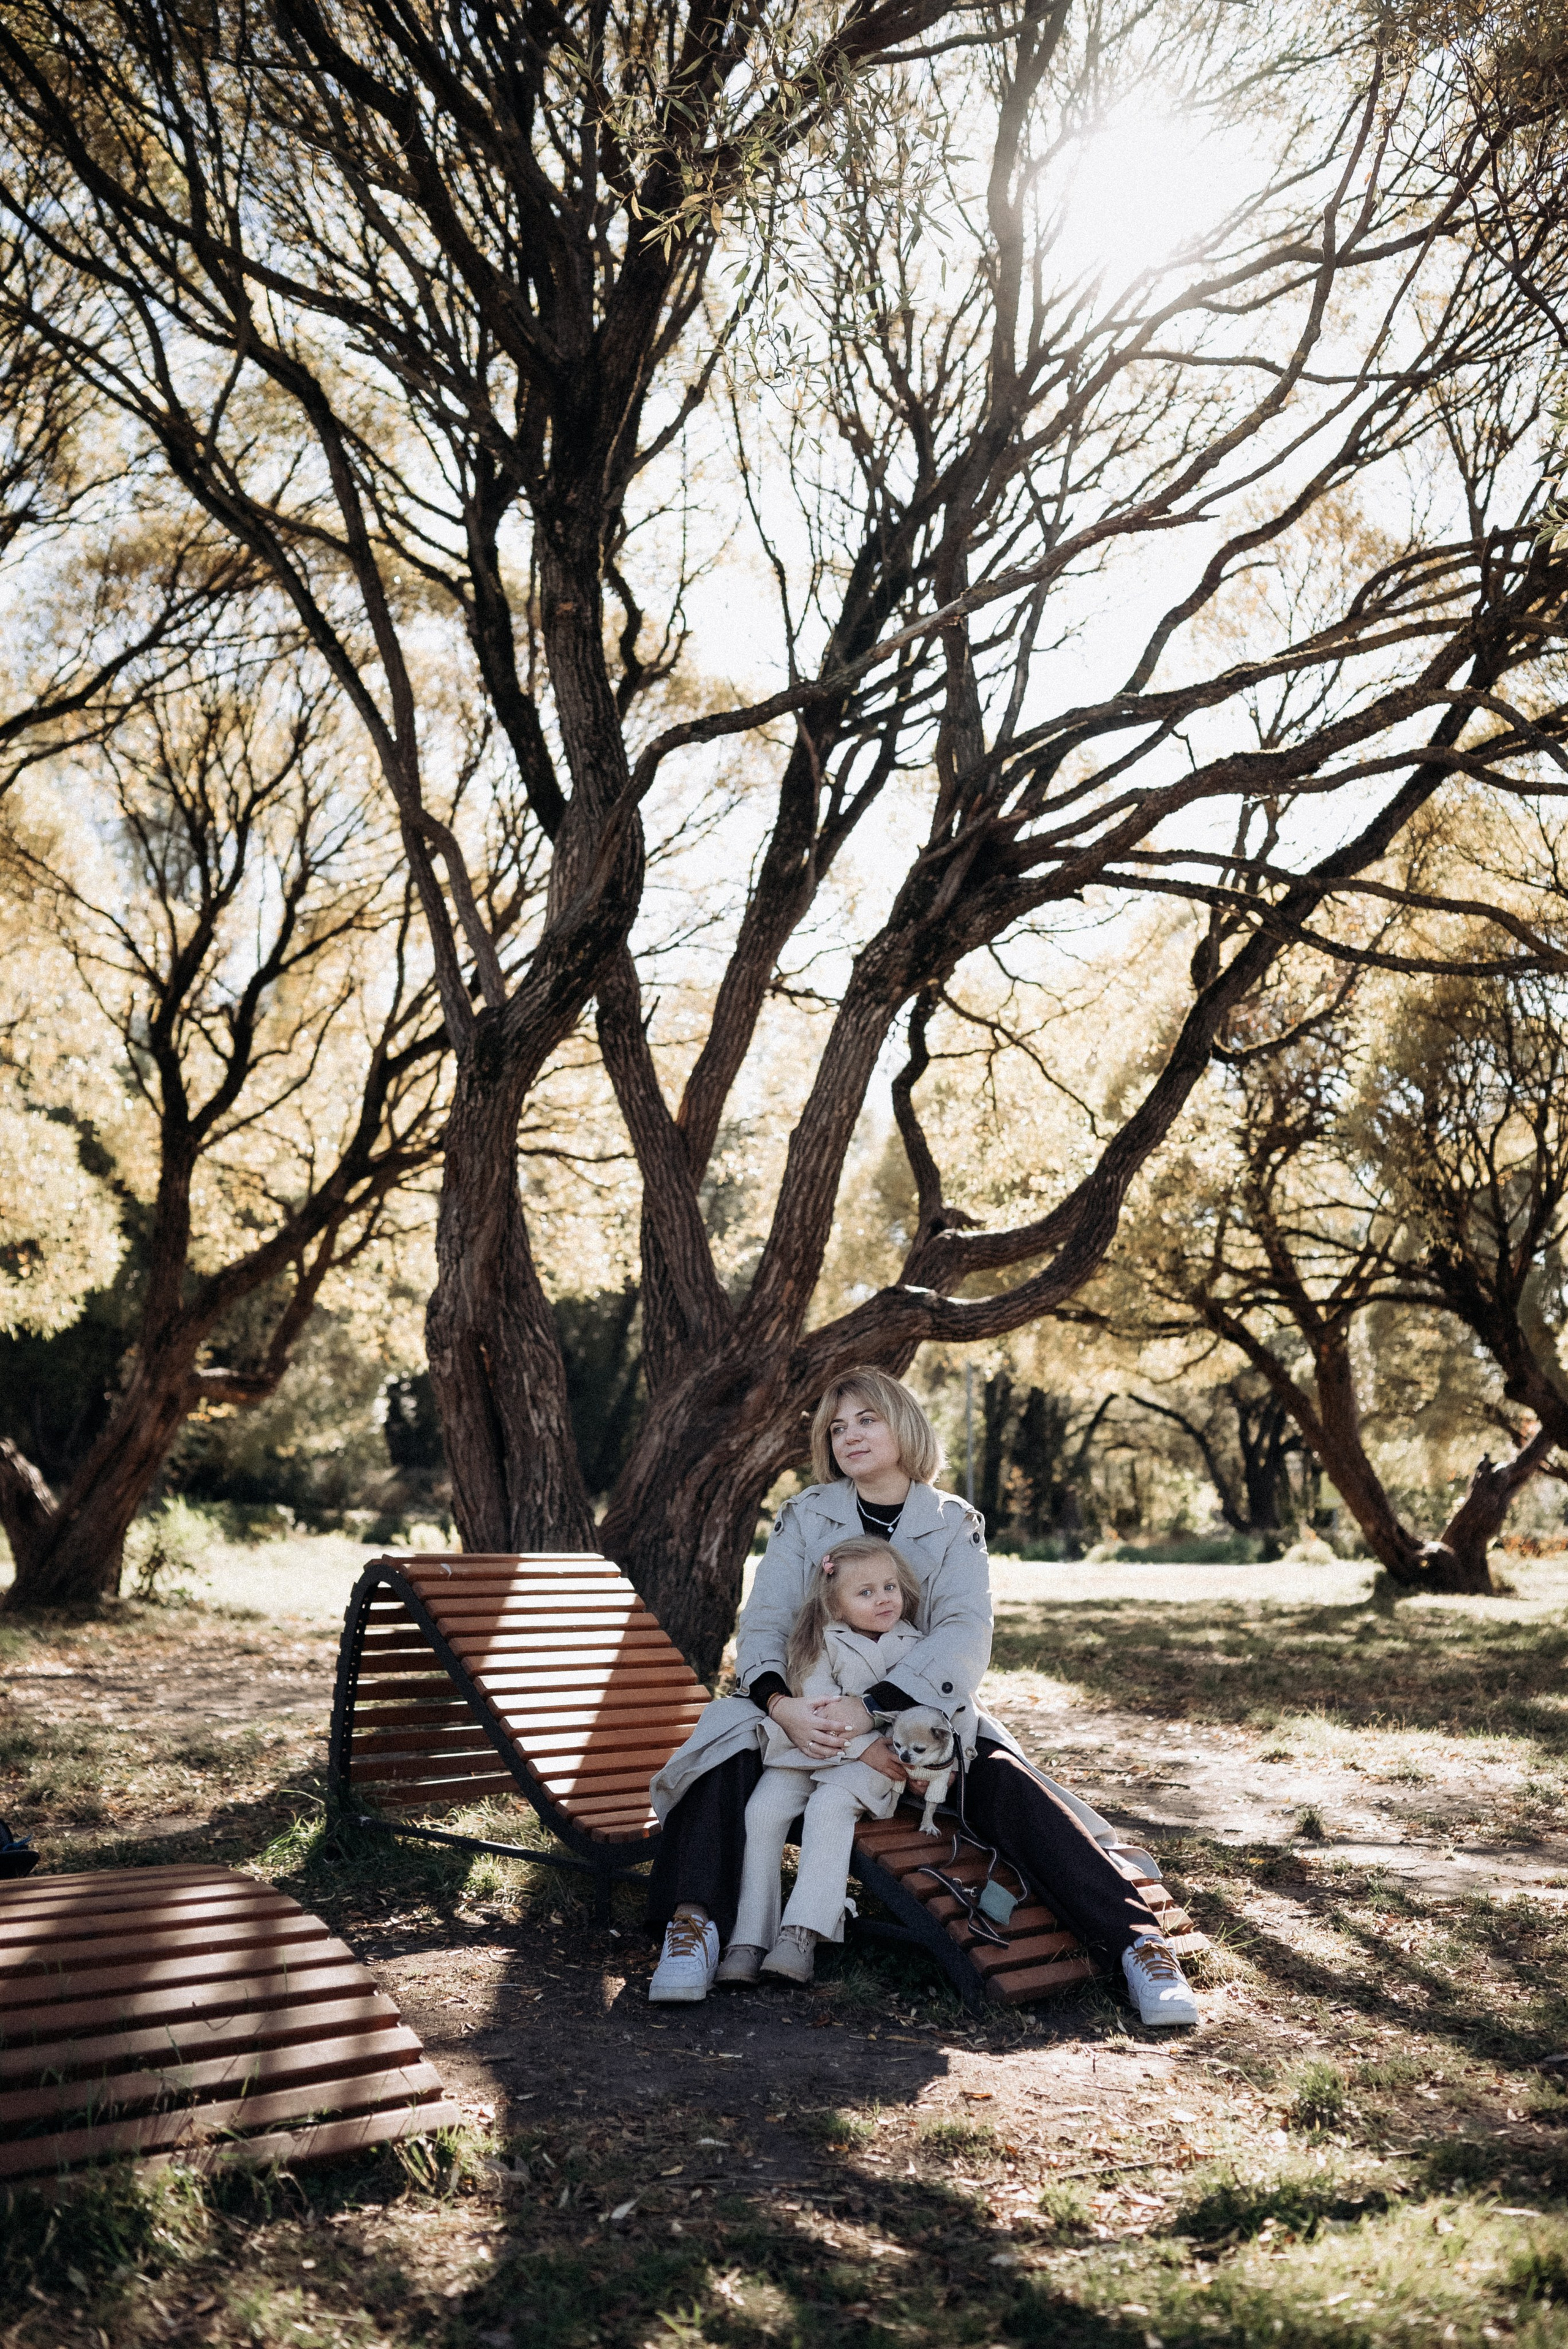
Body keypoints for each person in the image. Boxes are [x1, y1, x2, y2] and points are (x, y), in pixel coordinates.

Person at [646, 1366, 1199, 2027]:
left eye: (866, 1419)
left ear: (902, 1423)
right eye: (836, 1426)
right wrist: (782, 1707)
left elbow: (963, 1636)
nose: (849, 1435)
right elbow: (764, 1623)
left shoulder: (953, 1521)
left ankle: (1140, 1945)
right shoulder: (804, 1515)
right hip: (807, 1709)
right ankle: (694, 1928)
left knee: (1001, 1779)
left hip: (919, 1715)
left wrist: (875, 1715)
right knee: (726, 1746)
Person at [720, 1534, 956, 1988]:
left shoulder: (917, 1647)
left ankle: (801, 1932)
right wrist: (861, 1740)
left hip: (874, 1766)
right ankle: (749, 1937)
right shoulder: (819, 1643)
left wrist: (884, 1751)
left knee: (829, 1807)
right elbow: (820, 1714)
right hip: (812, 1750)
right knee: (763, 1810)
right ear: (837, 1605)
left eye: (890, 1586)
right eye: (864, 1592)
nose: (883, 1599)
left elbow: (923, 1715)